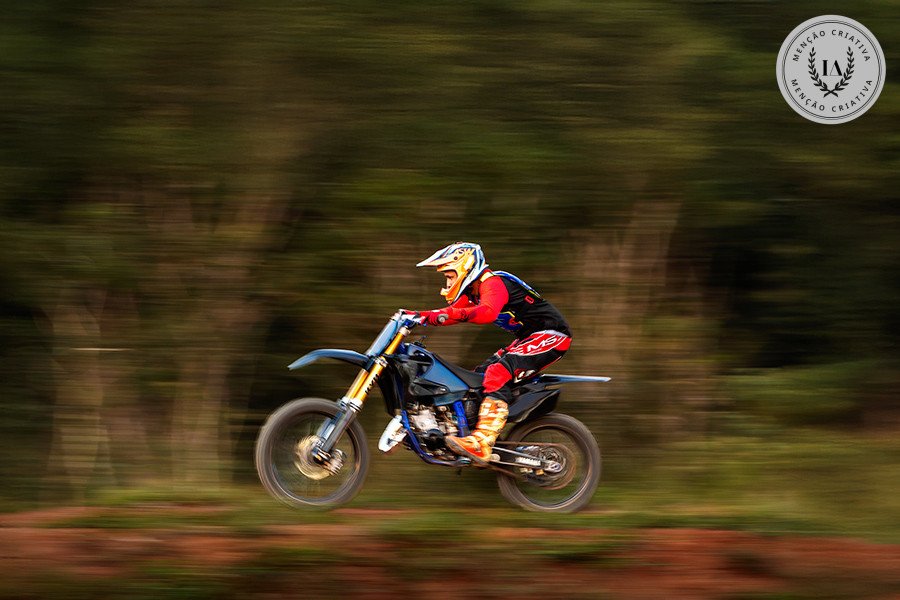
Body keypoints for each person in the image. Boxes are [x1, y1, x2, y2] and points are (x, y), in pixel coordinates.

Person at [414, 242, 572, 463]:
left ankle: (482, 443)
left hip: (551, 335)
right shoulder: (474, 290)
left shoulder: (493, 283)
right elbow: (451, 313)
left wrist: (432, 316)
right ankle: (475, 433)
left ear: (465, 267)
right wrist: (415, 316)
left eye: (450, 276)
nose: (448, 283)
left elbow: (486, 313)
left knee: (497, 372)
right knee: (478, 378)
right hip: (527, 338)